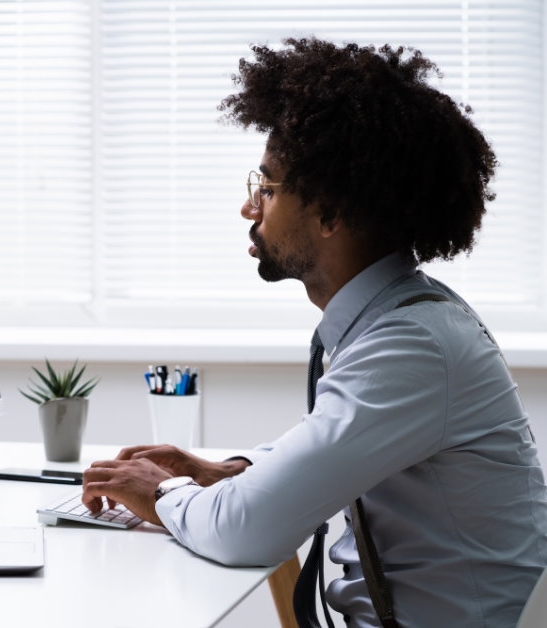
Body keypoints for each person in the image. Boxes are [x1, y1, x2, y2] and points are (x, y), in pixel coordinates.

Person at [81, 37, 547, 626]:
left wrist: (160, 492)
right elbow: (338, 437)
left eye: (269, 188)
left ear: (329, 214)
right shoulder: (400, 319)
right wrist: (232, 470)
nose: (251, 207)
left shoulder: (413, 345)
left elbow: (242, 531)